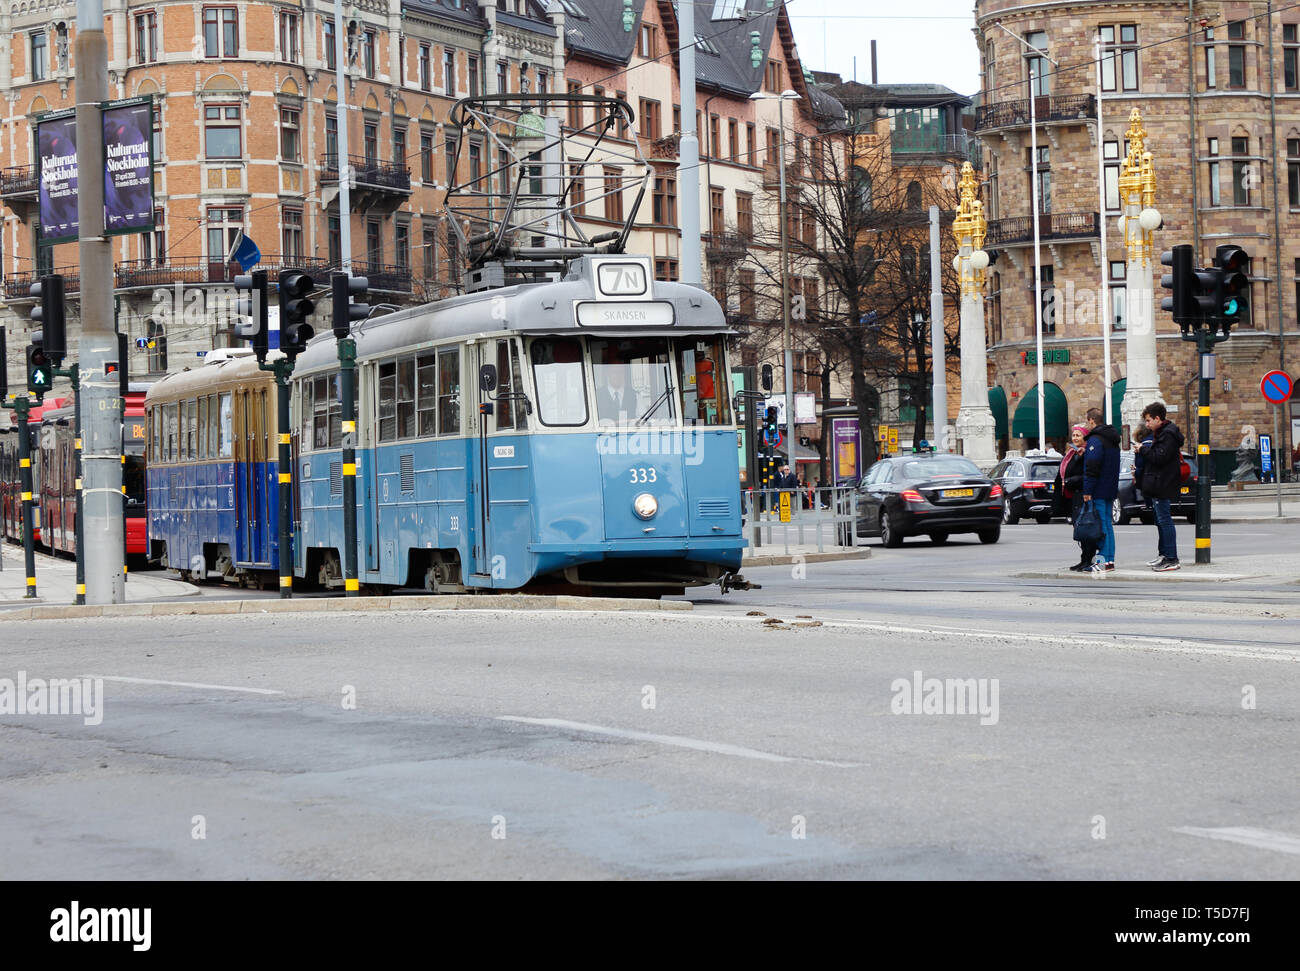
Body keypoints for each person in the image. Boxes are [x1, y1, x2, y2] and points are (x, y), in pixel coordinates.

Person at [1138, 401, 1185, 572]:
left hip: (1163, 482)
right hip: (1160, 482)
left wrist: (1142, 450)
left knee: (1165, 521)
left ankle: (1171, 558)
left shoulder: (1168, 435)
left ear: (1158, 419)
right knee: (1161, 520)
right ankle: (1165, 555)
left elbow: (1159, 458)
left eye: (1149, 420)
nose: (1147, 424)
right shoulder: (1164, 433)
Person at [1081, 406, 1120, 572]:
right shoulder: (1112, 439)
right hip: (1110, 487)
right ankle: (1109, 560)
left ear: (1091, 420)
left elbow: (1092, 467)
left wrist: (1087, 490)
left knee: (1101, 525)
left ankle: (1102, 560)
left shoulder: (1095, 440)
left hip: (1098, 488)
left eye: (1087, 421)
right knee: (1108, 524)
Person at [1055, 423, 1095, 571]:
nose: (1075, 437)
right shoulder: (1072, 453)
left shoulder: (1085, 453)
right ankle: (1084, 559)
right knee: (1078, 528)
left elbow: (1087, 474)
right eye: (1074, 435)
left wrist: (1070, 481)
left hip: (1082, 494)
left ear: (1085, 437)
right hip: (1072, 496)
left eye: (1078, 435)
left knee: (1085, 528)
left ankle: (1088, 559)